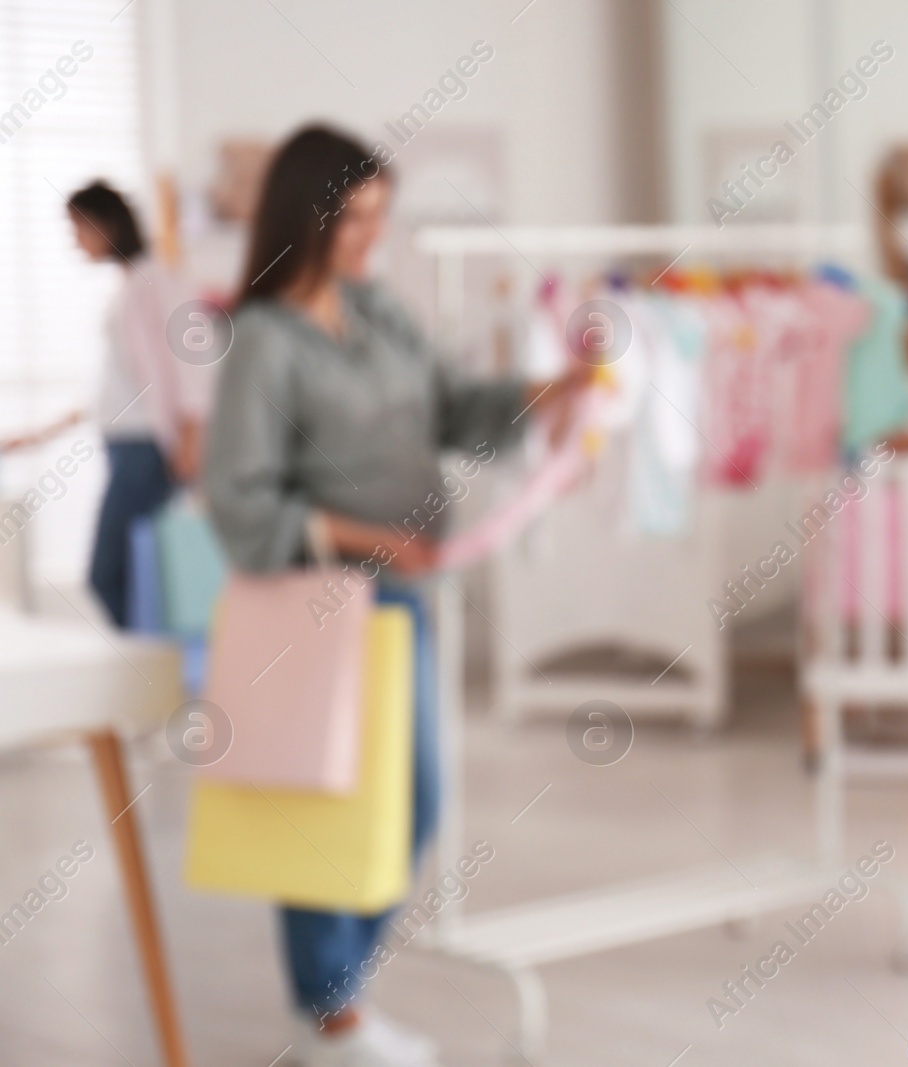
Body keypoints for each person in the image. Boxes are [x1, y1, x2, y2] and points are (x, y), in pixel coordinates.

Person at [204, 125, 588, 1067]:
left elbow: (456, 407)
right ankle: (331, 1017)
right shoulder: (263, 342)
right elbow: (237, 497)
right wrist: (373, 536)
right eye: (355, 218)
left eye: (382, 214)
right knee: (321, 803)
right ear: (308, 217)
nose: (375, 235)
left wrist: (554, 391)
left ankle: (336, 1002)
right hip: (319, 609)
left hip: (396, 606)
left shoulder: (379, 313)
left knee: (406, 805)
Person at [66, 181, 210, 628]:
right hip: (124, 447)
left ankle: (141, 668)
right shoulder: (128, 285)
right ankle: (145, 665)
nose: (75, 241)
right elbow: (115, 384)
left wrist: (190, 437)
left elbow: (193, 361)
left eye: (78, 228)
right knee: (131, 572)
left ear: (106, 223)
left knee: (107, 574)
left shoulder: (157, 280)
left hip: (145, 448)